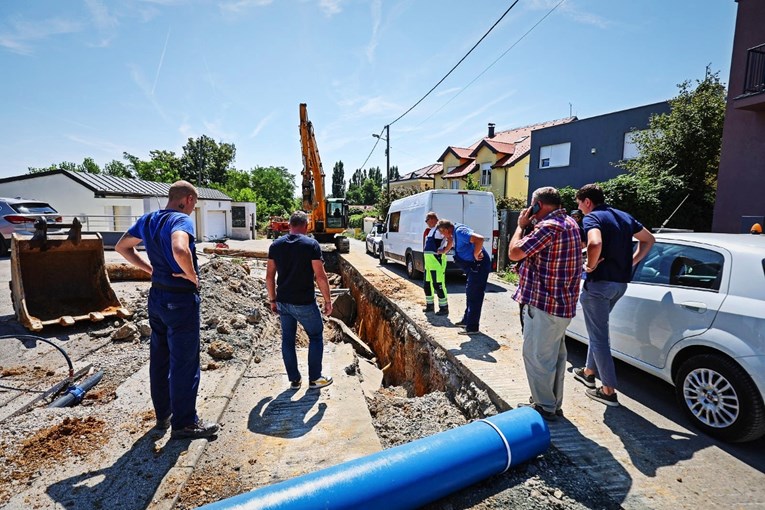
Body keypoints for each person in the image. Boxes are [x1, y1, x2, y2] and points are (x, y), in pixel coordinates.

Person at [115, 180, 219, 440]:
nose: (192, 210)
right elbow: (180, 248)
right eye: (193, 205)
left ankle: (164, 415)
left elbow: (122, 247)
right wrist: (192, 275)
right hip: (180, 300)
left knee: (160, 358)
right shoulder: (180, 221)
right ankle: (185, 423)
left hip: (157, 297)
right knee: (184, 362)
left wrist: (149, 269)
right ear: (188, 199)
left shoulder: (149, 219)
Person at [573, 184, 655, 407]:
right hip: (620, 284)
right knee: (597, 330)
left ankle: (608, 391)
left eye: (579, 205)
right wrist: (632, 262)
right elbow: (649, 239)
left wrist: (589, 266)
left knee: (599, 336)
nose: (579, 209)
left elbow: (595, 242)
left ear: (587, 202)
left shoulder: (593, 218)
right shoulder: (623, 216)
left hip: (599, 285)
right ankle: (588, 372)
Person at [509, 187, 583, 421]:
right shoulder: (570, 222)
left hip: (544, 304)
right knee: (555, 357)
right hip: (562, 305)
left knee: (538, 357)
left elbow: (514, 252)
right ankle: (552, 402)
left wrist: (521, 225)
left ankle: (544, 407)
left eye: (532, 205)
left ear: (538, 205)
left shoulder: (548, 227)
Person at [266, 211, 334, 390]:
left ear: (289, 225)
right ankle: (315, 378)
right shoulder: (311, 245)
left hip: (283, 301)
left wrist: (272, 300)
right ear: (306, 226)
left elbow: (269, 277)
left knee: (287, 340)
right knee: (316, 335)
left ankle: (294, 380)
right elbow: (320, 276)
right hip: (304, 302)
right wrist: (328, 301)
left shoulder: (275, 245)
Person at [436, 219, 491, 335]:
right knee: (470, 292)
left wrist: (476, 253)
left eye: (442, 232)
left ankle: (472, 327)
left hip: (479, 265)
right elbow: (451, 241)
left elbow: (479, 239)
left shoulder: (460, 231)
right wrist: (444, 251)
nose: (442, 235)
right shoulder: (453, 234)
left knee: (475, 294)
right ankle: (467, 321)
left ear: (446, 229)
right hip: (472, 267)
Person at [422, 211, 452, 316]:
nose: (426, 222)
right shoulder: (431, 231)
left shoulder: (439, 230)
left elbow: (450, 239)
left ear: (433, 219)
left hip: (436, 261)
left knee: (438, 284)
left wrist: (445, 250)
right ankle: (430, 306)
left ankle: (444, 308)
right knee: (427, 285)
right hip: (428, 262)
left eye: (427, 220)